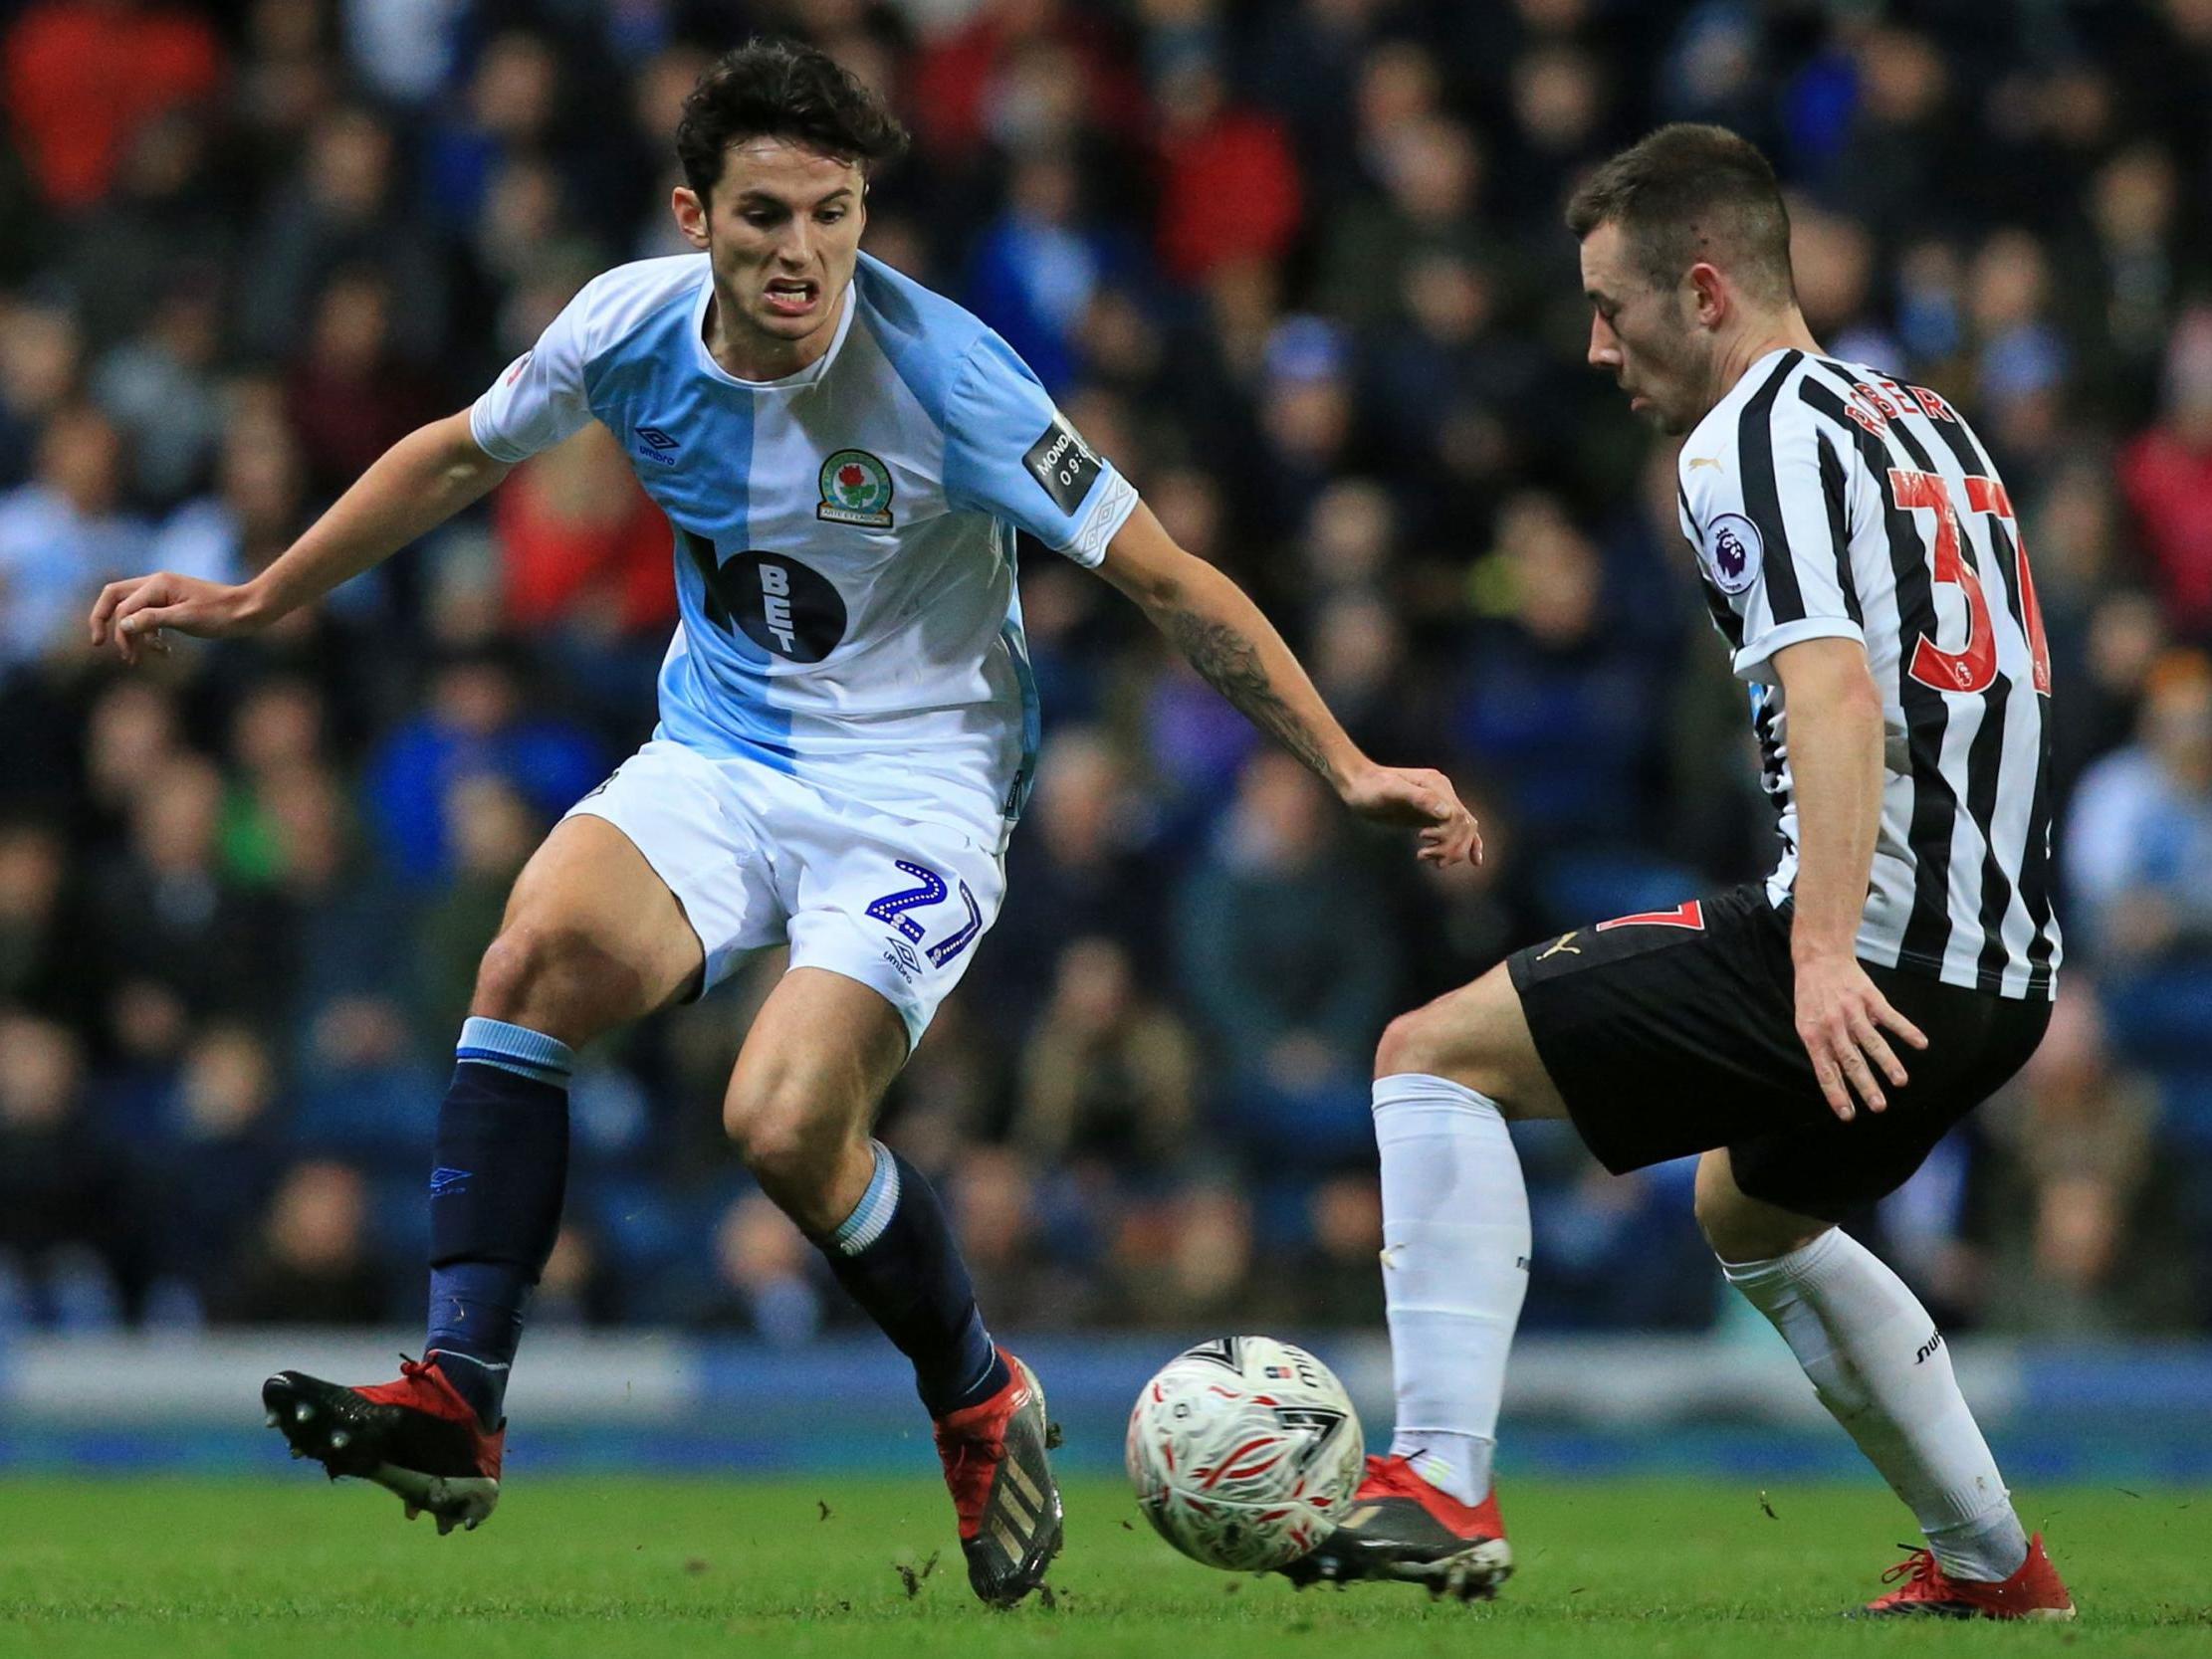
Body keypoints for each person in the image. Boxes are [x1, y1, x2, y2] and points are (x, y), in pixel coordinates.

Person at [87, 39, 1476, 1607]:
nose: (801, 250)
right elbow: (458, 456)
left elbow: (1163, 579)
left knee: (779, 1122)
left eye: (833, 212)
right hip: (725, 746)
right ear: (695, 215)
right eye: (763, 215)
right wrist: (267, 595)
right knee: (531, 953)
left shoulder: (950, 375)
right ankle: (461, 1397)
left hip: (918, 793)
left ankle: (972, 1389)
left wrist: (1343, 762)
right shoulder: (624, 325)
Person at [1283, 124, 2073, 1622]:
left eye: (1611, 307)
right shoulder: (1926, 421)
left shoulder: (1744, 440)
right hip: (2006, 973)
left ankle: (1439, 1483)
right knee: (1748, 1213)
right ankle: (1994, 1566)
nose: (1595, 348)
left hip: (1874, 954)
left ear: (1704, 292)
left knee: (1426, 1059)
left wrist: (1825, 950)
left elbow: (1833, 691)